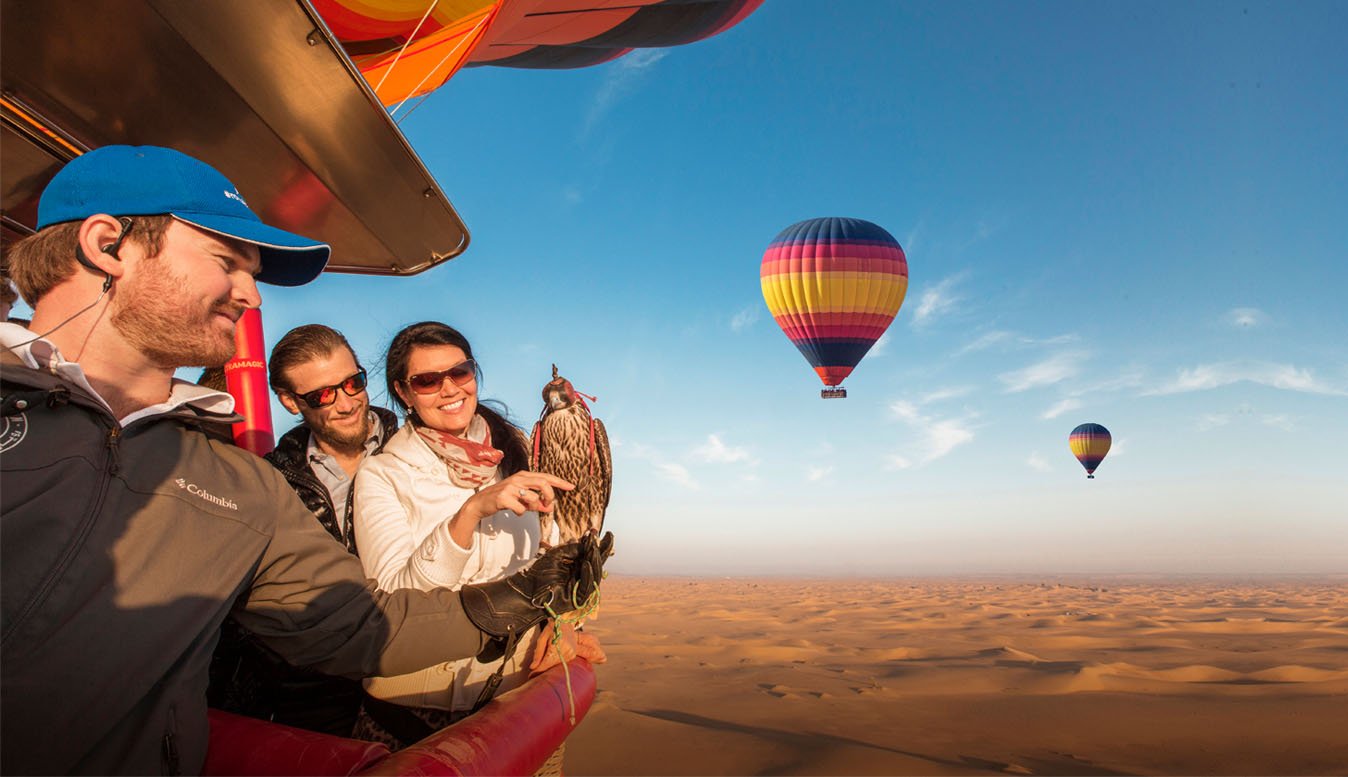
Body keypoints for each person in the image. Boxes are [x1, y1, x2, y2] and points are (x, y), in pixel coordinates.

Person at [0, 145, 610, 775]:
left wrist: (517, 600)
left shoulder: (237, 484)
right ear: (108, 246)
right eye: (226, 262)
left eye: (254, 275)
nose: (251, 297)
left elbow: (359, 624)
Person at [350, 321, 603, 750]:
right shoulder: (382, 474)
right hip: (412, 715)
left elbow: (549, 551)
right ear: (404, 392)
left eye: (460, 373)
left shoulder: (518, 449)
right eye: (427, 380)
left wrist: (563, 621)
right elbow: (393, 602)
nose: (449, 389)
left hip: (519, 703)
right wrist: (471, 512)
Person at [208, 324, 400, 736]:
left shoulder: (419, 450)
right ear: (290, 402)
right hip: (316, 693)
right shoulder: (270, 480)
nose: (347, 402)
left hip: (415, 670)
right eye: (323, 395)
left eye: (353, 383)